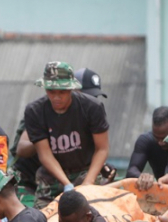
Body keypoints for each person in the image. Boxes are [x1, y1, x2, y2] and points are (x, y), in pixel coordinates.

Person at [23, 61, 110, 208]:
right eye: (51, 91)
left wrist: (88, 182)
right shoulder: (35, 111)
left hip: (86, 170)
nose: (56, 97)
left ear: (71, 89)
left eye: (62, 92)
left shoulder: (92, 107)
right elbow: (44, 154)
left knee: (95, 213)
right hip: (51, 175)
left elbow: (102, 148)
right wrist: (67, 184)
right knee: (42, 217)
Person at [126, 106, 168, 190]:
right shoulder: (146, 141)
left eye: (165, 138)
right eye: (156, 137)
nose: (160, 142)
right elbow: (132, 170)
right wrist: (142, 177)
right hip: (162, 191)